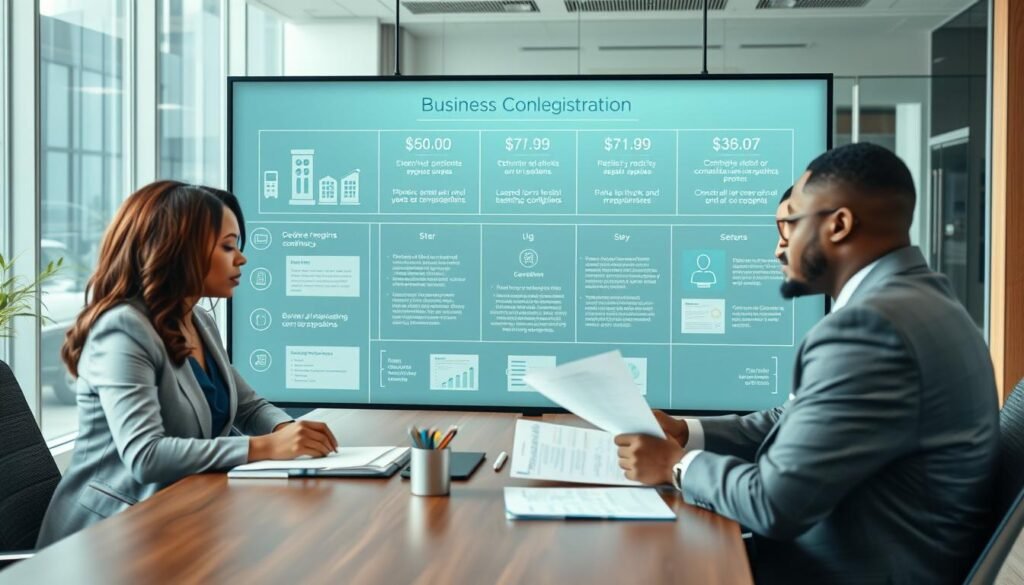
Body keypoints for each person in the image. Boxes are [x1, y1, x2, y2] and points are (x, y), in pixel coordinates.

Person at [615, 143, 998, 584]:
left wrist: (676, 466)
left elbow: (774, 505)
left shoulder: (870, 328)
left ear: (838, 225)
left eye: (790, 223)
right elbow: (792, 419)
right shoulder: (924, 300)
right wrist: (687, 432)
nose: (780, 248)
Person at [37, 181, 339, 546]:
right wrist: (265, 448)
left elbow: (248, 406)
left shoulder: (198, 321)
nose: (241, 258)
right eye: (228, 246)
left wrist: (289, 432)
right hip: (109, 537)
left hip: (180, 515)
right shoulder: (123, 330)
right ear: (180, 251)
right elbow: (146, 455)